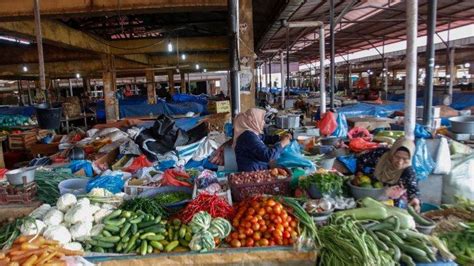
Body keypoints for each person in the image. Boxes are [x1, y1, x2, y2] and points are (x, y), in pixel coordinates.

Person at [359, 137, 420, 211]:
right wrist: (366, 173)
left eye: (405, 159)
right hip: (369, 192)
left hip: (389, 201)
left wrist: (415, 199)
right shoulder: (380, 154)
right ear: (392, 153)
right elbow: (361, 160)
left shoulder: (408, 171)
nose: (400, 162)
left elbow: (413, 188)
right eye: (397, 157)